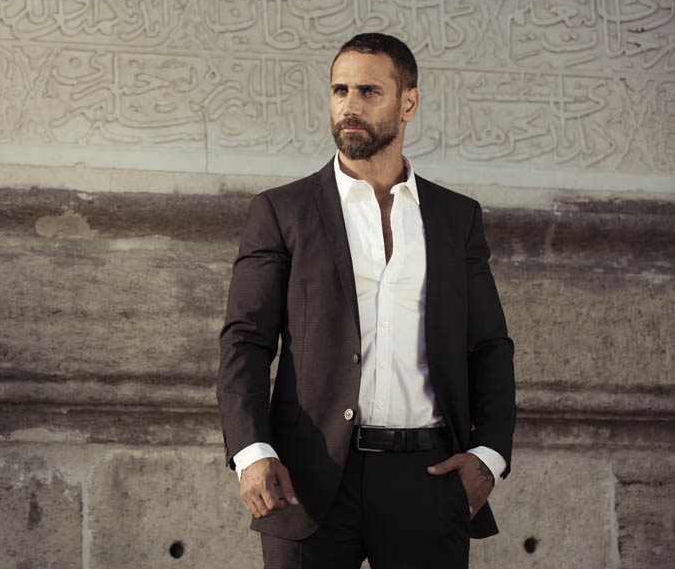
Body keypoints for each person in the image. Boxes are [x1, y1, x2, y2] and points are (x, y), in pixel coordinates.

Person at [216, 33, 516, 569]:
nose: (349, 106)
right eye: (340, 90)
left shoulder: (455, 218)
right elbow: (245, 340)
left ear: (408, 104)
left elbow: (489, 346)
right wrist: (252, 452)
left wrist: (487, 456)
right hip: (306, 479)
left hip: (427, 477)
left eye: (369, 91)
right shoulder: (282, 211)